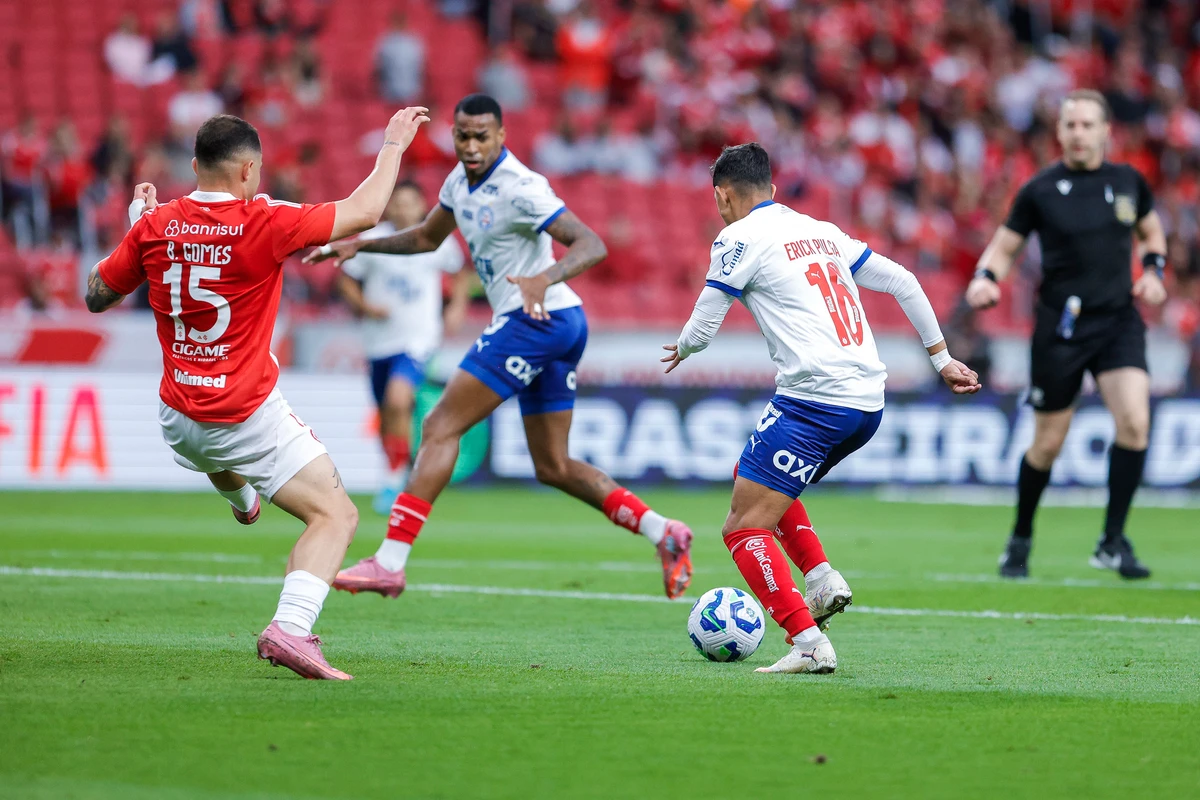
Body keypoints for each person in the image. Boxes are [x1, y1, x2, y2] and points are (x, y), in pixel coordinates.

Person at [84, 107, 431, 680]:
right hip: (242, 414)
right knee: (335, 515)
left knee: (214, 454)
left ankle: (240, 499)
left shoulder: (155, 225)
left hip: (177, 416)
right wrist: (394, 143)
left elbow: (97, 296)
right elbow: (367, 211)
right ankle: (291, 630)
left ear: (195, 166)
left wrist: (134, 230)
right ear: (249, 171)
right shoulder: (262, 220)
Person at [304, 93, 695, 601]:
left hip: (539, 318)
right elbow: (426, 237)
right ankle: (663, 531)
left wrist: (543, 278)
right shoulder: (457, 183)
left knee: (441, 425)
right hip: (555, 322)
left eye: (481, 136)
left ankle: (389, 562)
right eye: (462, 135)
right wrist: (362, 244)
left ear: (502, 136)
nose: (471, 146)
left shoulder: (522, 186)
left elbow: (591, 244)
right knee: (552, 466)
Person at [662, 143, 980, 674]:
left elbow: (704, 323)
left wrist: (684, 347)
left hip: (815, 401)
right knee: (754, 477)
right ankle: (821, 578)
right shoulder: (821, 232)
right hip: (865, 405)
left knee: (743, 527)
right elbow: (904, 280)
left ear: (722, 196)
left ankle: (808, 643)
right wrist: (942, 358)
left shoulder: (736, 237)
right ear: (774, 188)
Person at [966, 89, 1168, 580]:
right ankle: (1020, 537)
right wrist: (986, 278)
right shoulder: (1040, 189)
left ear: (1105, 131)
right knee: (1048, 444)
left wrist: (1155, 271)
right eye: (1070, 125)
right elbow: (1003, 246)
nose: (1078, 133)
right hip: (1062, 327)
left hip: (1119, 320)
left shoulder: (1128, 182)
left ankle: (1112, 540)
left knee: (1136, 423)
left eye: (1087, 124)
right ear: (1059, 133)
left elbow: (1152, 234)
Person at [335, 180, 472, 514]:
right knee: (385, 413)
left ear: (421, 206)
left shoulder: (435, 238)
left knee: (399, 399)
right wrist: (364, 306)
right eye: (397, 202)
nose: (403, 208)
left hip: (418, 338)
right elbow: (346, 275)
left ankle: (399, 477)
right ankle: (393, 473)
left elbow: (461, 274)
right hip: (378, 341)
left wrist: (455, 307)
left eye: (410, 202)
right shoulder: (372, 239)